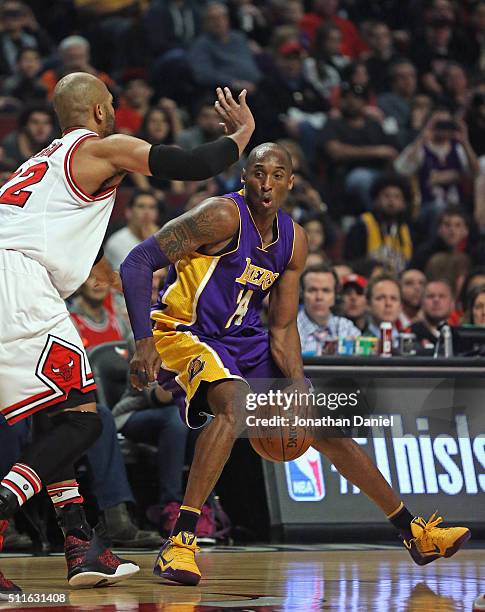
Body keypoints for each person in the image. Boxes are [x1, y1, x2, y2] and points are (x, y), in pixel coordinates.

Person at [120, 142, 470, 587]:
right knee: (235, 403)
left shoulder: (293, 240)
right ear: (244, 178)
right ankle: (181, 542)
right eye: (258, 172)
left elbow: (283, 329)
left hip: (242, 339)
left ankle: (414, 532)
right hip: (183, 331)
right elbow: (137, 261)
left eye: (277, 174)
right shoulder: (221, 216)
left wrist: (299, 388)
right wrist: (143, 341)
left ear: (291, 182)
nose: (266, 183)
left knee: (322, 423)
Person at [0, 71, 255, 594]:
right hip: (20, 283)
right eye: (111, 104)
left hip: (16, 283)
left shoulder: (35, 164)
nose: (114, 112)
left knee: (58, 423)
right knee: (84, 426)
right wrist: (241, 134)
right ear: (97, 112)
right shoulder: (99, 148)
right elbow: (189, 166)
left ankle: (80, 545)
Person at [297, 264, 360, 355]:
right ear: (302, 294)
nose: (319, 297)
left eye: (326, 290)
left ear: (336, 295)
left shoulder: (347, 328)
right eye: (312, 290)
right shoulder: (288, 330)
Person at [105, 189, 161, 271]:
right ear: (129, 212)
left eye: (152, 207)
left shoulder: (163, 237)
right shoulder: (117, 241)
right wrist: (151, 243)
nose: (147, 212)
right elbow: (137, 275)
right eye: (141, 206)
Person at [410, 279, 456, 349]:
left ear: (452, 304)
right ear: (422, 303)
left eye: (442, 296)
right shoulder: (410, 333)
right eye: (431, 296)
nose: (436, 300)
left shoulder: (460, 335)